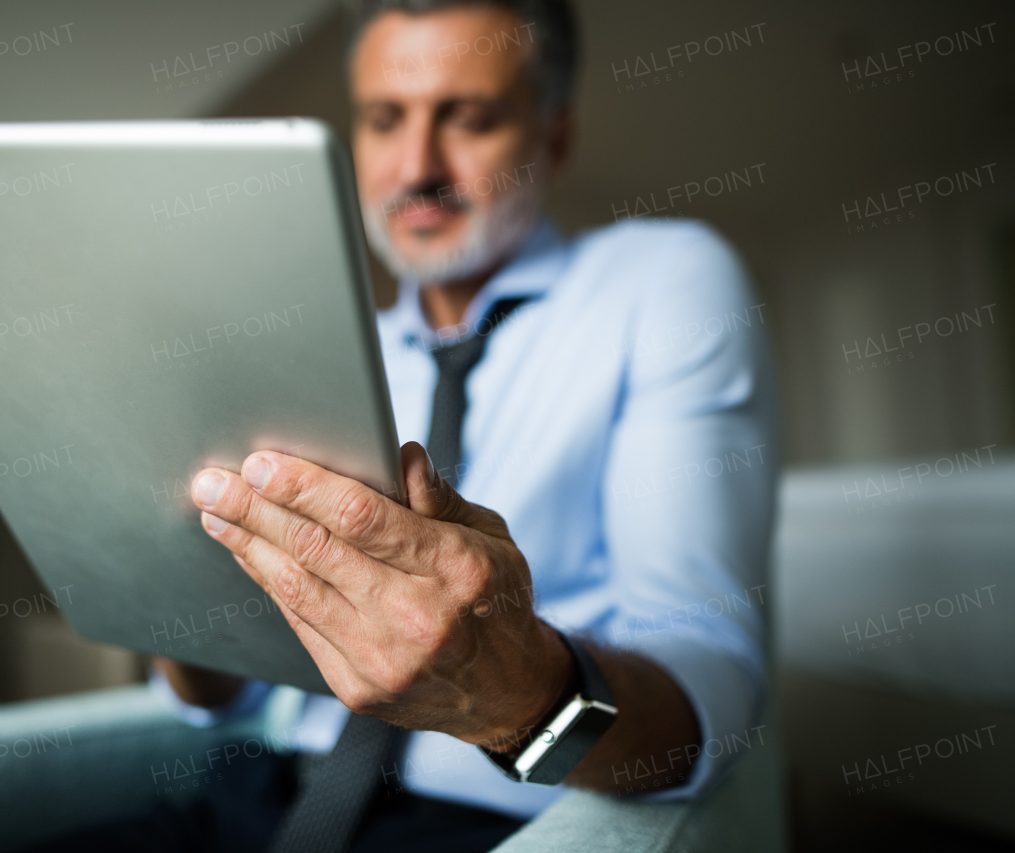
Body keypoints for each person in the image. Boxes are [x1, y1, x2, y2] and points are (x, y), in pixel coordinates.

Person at [39, 0, 777, 850]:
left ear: (555, 135)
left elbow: (712, 684)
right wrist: (168, 576)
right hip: (255, 796)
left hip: (485, 821)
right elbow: (222, 698)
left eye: (470, 118)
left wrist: (523, 692)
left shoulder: (662, 283)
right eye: (385, 120)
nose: (417, 165)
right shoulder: (304, 348)